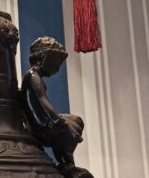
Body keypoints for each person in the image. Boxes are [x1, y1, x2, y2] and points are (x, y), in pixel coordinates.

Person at [21, 37, 94, 178]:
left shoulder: (35, 76)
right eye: (55, 62)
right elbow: (43, 101)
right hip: (40, 126)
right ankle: (67, 163)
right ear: (42, 57)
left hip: (42, 122)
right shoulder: (33, 76)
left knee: (76, 120)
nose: (57, 68)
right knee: (68, 128)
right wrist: (59, 121)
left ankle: (66, 163)